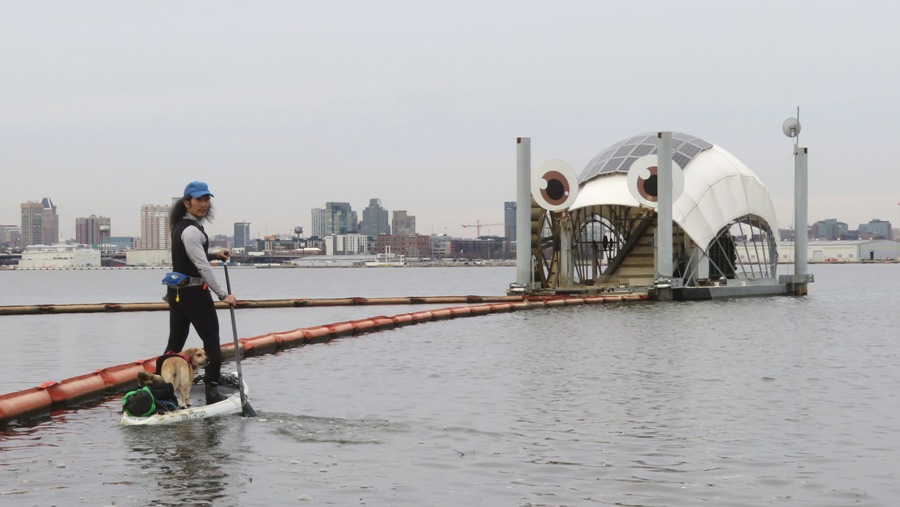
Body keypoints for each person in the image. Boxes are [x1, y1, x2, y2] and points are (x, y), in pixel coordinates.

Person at [164, 181, 236, 404]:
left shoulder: (180, 226)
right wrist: (223, 295)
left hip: (177, 293)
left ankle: (161, 387)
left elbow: (193, 259)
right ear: (187, 202)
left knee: (175, 344)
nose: (204, 204)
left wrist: (214, 255)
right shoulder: (192, 231)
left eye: (207, 199)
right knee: (211, 341)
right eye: (199, 200)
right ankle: (212, 390)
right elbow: (201, 267)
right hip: (194, 293)